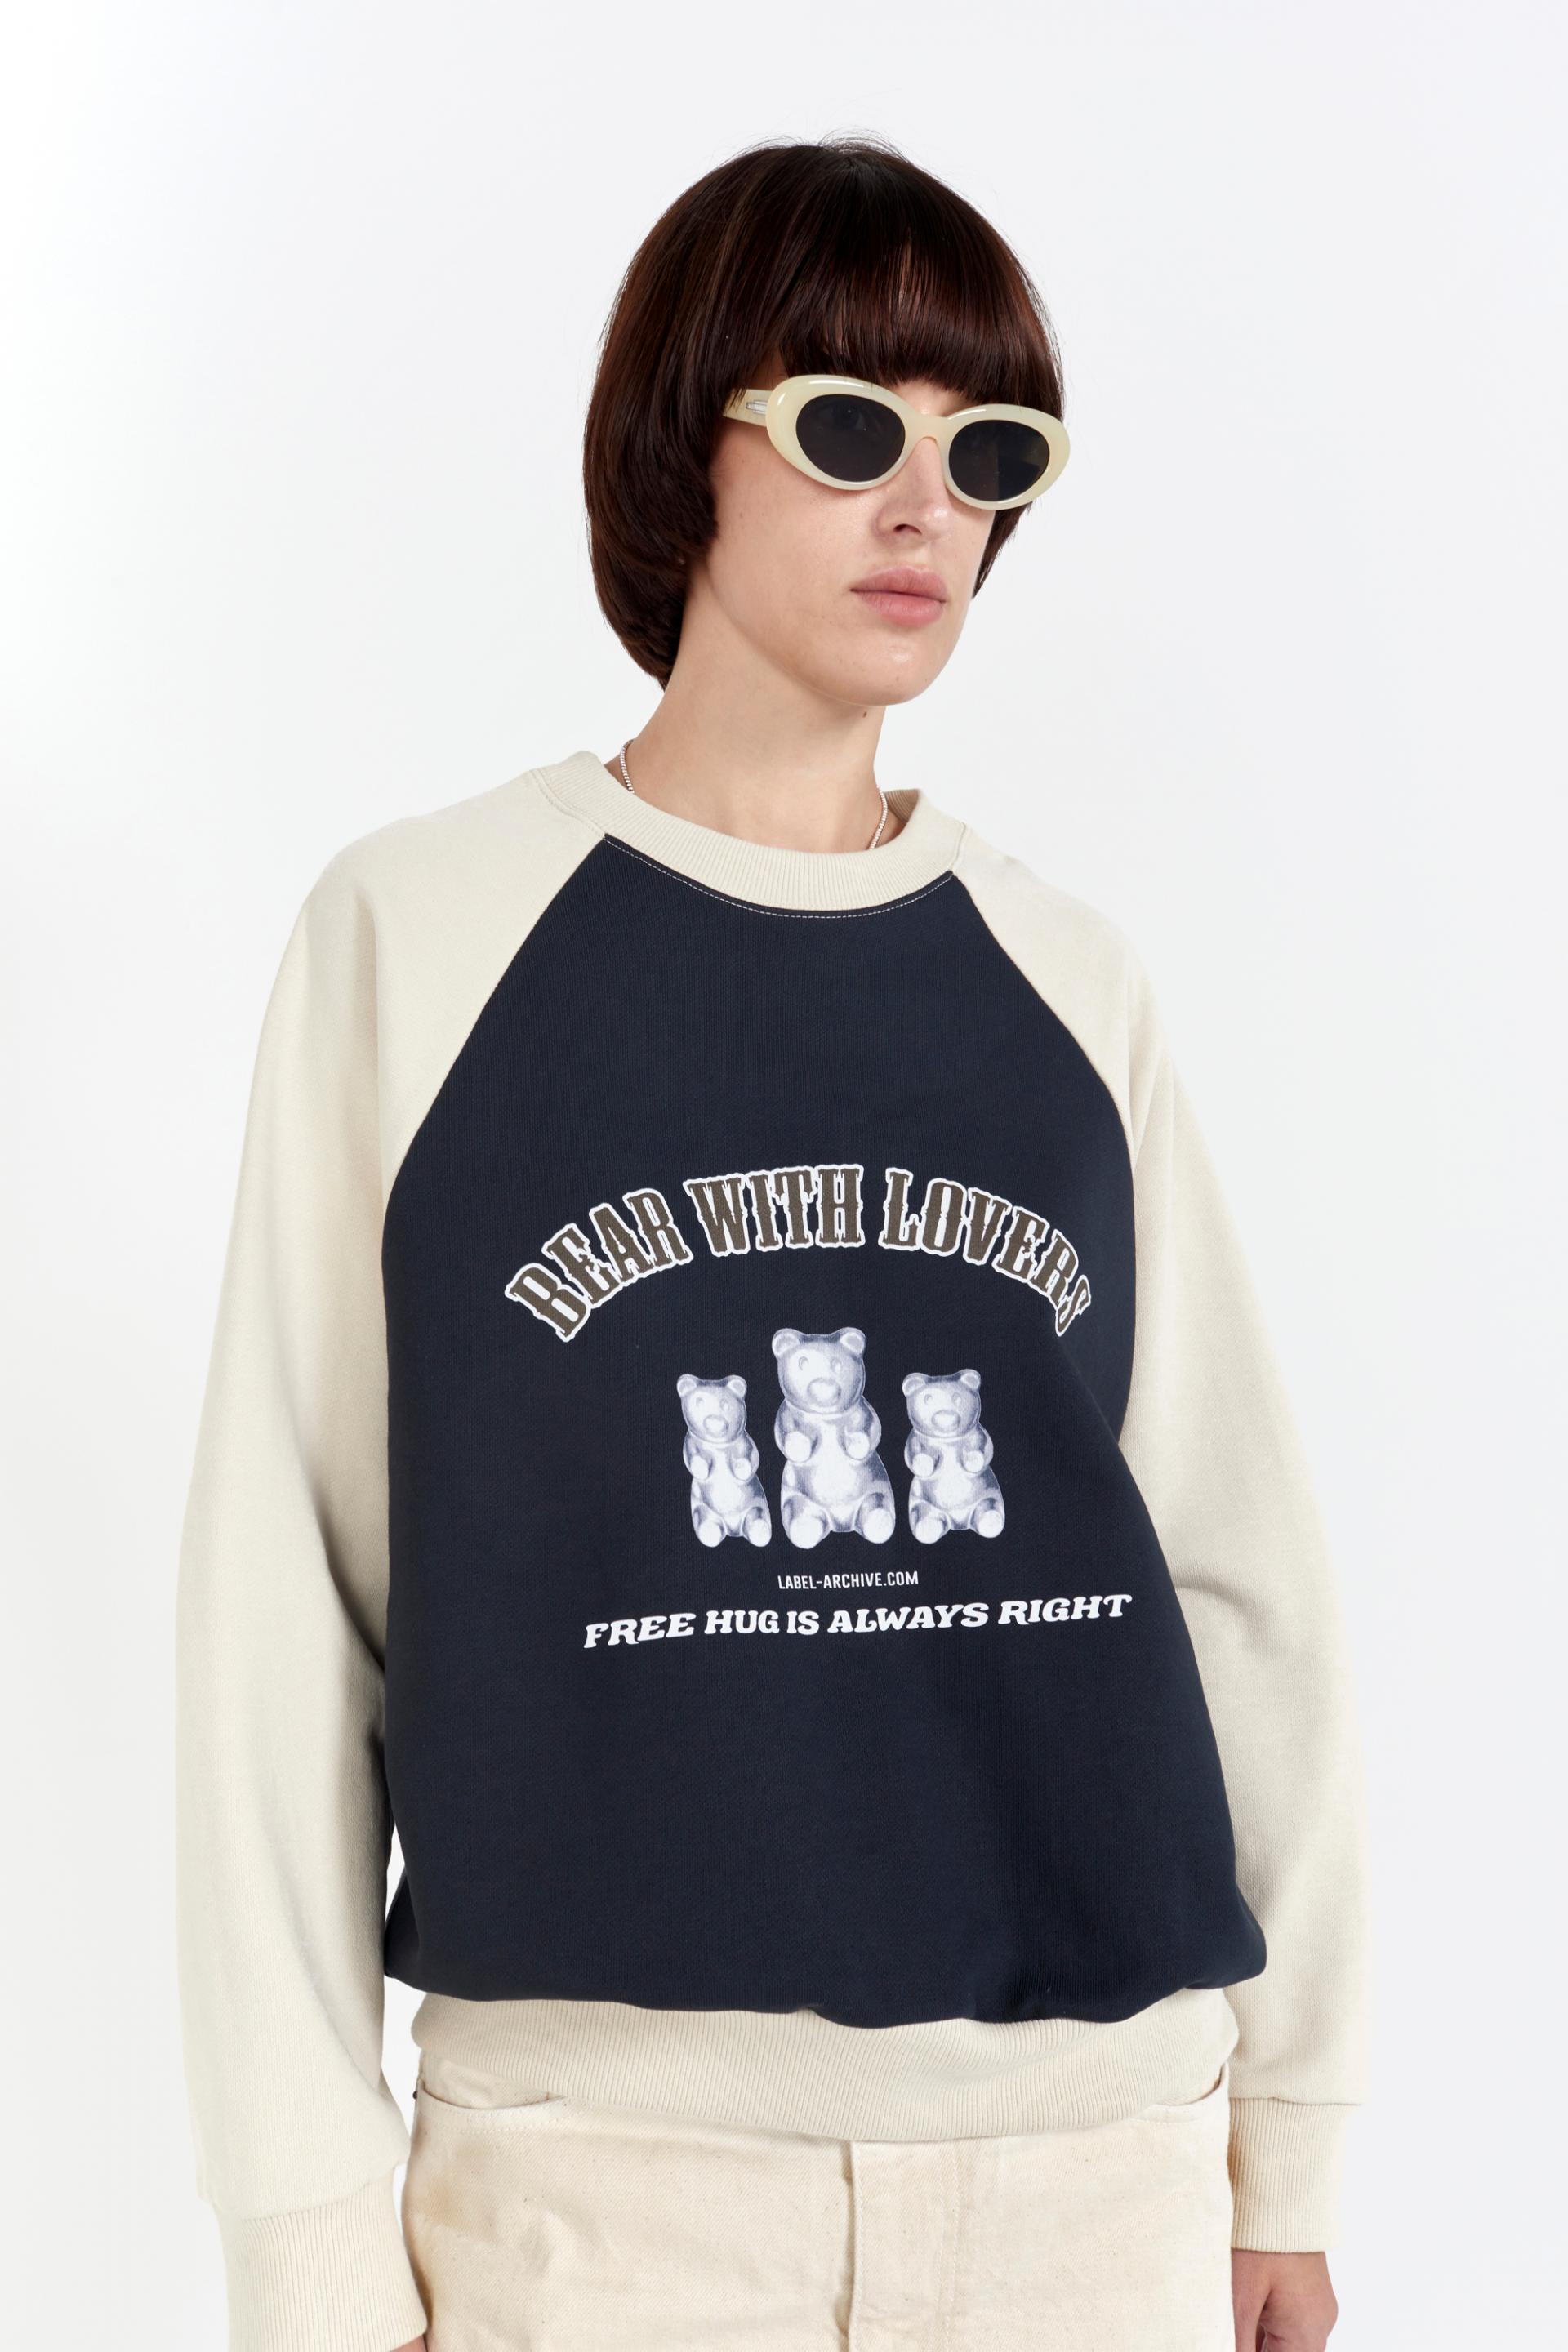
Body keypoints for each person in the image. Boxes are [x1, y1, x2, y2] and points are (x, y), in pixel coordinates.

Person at [174, 133, 1368, 2352]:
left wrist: (1286, 2129)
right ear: (682, 447)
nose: (924, 508)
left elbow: (1231, 1573)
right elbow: (285, 1606)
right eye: (844, 429)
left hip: (1096, 2179)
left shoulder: (1066, 975)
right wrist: (306, 2238)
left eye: (985, 452)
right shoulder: (420, 937)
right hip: (597, 2203)